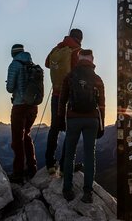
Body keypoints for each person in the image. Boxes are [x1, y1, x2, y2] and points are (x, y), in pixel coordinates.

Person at [58, 49, 105, 203]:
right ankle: (87, 192)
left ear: (79, 59)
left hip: (73, 119)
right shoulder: (97, 79)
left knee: (70, 153)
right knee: (89, 155)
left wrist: (60, 119)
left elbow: (62, 100)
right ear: (92, 59)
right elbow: (102, 105)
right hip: (92, 120)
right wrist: (101, 124)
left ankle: (67, 189)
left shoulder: (70, 76)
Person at [44, 28, 83, 175]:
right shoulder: (77, 51)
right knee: (71, 129)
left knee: (54, 127)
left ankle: (49, 163)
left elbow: (47, 63)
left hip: (56, 94)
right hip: (70, 95)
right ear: (79, 39)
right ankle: (65, 165)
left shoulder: (57, 48)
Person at [6, 44, 38, 184]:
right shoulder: (32, 64)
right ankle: (32, 168)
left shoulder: (14, 65)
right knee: (27, 136)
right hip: (33, 106)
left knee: (17, 140)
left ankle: (18, 172)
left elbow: (10, 88)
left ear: (13, 53)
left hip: (19, 106)